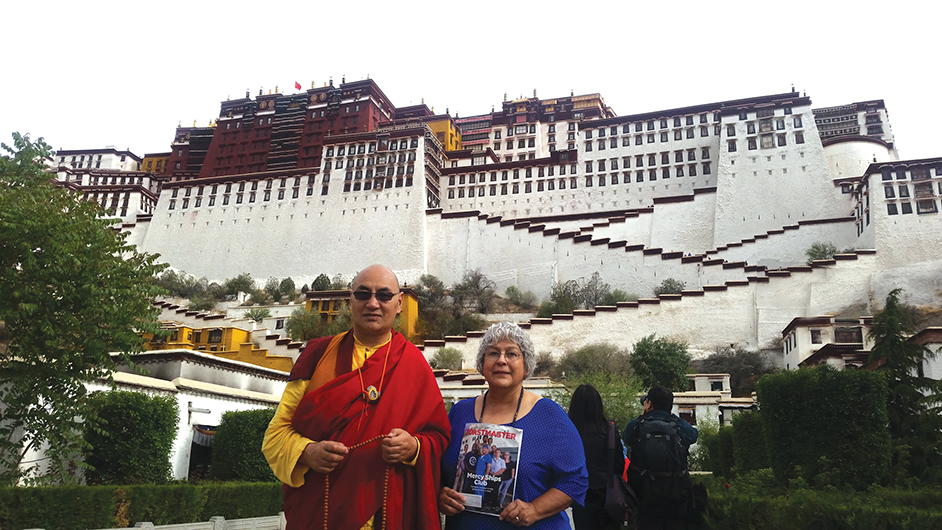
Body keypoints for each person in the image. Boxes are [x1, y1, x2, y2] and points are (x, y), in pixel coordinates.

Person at [262, 265, 450, 530]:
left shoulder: (414, 364)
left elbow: (439, 437)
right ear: (350, 302)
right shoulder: (318, 355)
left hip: (387, 514)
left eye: (384, 295)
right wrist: (307, 452)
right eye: (363, 294)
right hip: (323, 511)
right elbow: (275, 435)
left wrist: (414, 447)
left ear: (399, 304)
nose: (373, 303)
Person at [439, 322, 588, 529]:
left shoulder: (550, 416)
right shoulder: (459, 412)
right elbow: (437, 469)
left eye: (511, 354)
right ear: (482, 364)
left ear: (526, 365)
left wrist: (535, 509)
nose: (501, 360)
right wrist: (441, 494)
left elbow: (575, 481)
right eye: (493, 353)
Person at [622, 386, 698, 530]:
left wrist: (642, 415)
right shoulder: (679, 426)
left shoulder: (636, 425)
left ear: (649, 403)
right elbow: (693, 435)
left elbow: (627, 438)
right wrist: (671, 415)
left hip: (645, 495)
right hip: (676, 494)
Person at [567, 384, 626, 530]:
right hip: (607, 495)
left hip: (580, 495)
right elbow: (620, 464)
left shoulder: (568, 432)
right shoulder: (610, 430)